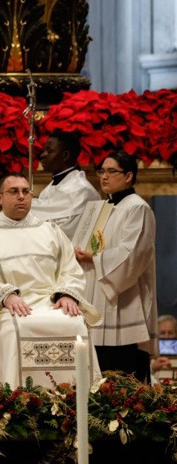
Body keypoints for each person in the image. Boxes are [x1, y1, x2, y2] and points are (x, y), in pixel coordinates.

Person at [0, 172, 102, 388]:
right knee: (11, 329)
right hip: (10, 307)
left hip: (51, 302)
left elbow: (70, 268)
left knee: (76, 324)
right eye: (14, 192)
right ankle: (14, 400)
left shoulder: (50, 230)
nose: (21, 196)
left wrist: (66, 294)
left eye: (26, 192)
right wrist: (6, 296)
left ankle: (79, 400)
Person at [75, 151, 157, 382]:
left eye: (112, 171)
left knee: (123, 375)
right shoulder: (99, 208)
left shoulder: (137, 208)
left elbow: (133, 254)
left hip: (123, 301)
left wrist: (94, 258)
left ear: (129, 175)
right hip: (95, 297)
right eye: (101, 171)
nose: (104, 177)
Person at [31, 131, 100, 239]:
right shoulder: (49, 188)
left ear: (65, 155)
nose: (43, 155)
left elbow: (67, 232)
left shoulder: (82, 191)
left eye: (49, 151)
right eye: (44, 150)